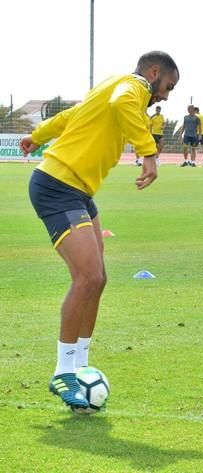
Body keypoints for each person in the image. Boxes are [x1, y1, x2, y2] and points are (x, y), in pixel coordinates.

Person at [20, 51, 179, 410]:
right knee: (88, 277)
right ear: (154, 73)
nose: (167, 95)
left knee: (99, 278)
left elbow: (70, 116)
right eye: (168, 86)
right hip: (57, 185)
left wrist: (38, 135)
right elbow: (124, 102)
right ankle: (63, 372)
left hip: (77, 190)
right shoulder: (133, 87)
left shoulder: (112, 84)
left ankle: (81, 364)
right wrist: (148, 152)